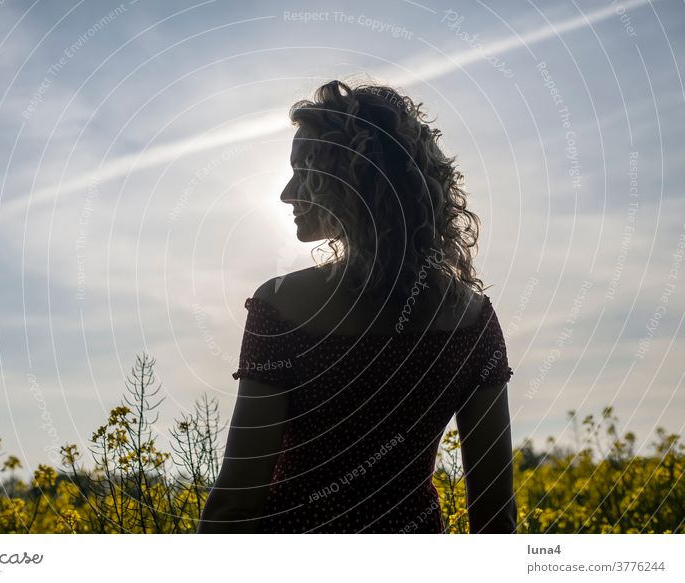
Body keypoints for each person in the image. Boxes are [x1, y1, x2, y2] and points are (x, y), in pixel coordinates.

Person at [197, 80, 516, 534]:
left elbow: (235, 503)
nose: (287, 193)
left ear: (350, 181)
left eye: (304, 170)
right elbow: (495, 518)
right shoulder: (472, 320)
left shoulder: (281, 305)